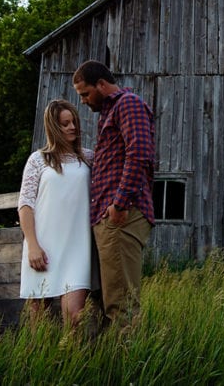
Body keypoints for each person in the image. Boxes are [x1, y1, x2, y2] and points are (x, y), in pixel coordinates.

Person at [72, 60, 155, 330]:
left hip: (121, 217)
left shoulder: (127, 104)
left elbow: (140, 151)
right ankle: (112, 364)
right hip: (108, 219)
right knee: (109, 301)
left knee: (122, 306)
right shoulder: (109, 113)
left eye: (85, 93)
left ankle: (129, 369)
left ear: (101, 85)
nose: (83, 101)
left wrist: (119, 204)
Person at [17, 99, 94, 327]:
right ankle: (40, 363)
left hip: (78, 248)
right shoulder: (38, 160)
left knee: (75, 318)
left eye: (73, 122)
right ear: (53, 127)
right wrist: (32, 245)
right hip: (43, 247)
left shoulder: (89, 158)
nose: (72, 127)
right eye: (65, 123)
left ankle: (74, 363)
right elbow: (25, 205)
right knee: (37, 322)